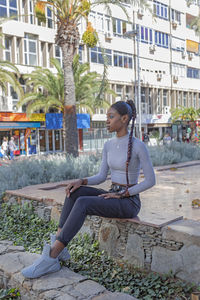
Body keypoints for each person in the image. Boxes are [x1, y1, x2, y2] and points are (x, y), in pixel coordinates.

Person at [21, 100, 156, 279]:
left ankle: (51, 258)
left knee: (84, 202)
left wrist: (123, 193)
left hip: (128, 201)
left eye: (111, 116)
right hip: (111, 194)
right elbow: (101, 176)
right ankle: (58, 246)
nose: (107, 120)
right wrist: (81, 181)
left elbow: (151, 180)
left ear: (124, 119)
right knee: (75, 192)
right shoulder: (108, 145)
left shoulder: (138, 146)